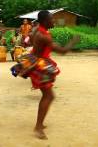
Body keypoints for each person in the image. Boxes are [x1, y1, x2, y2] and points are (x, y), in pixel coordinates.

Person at [11, 11, 80, 140]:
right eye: (51, 19)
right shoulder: (45, 36)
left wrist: (38, 49)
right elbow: (62, 51)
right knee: (48, 96)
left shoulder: (36, 29)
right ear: (45, 22)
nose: (53, 21)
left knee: (48, 95)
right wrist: (73, 41)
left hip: (34, 59)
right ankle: (38, 127)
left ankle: (40, 125)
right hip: (40, 65)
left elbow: (29, 39)